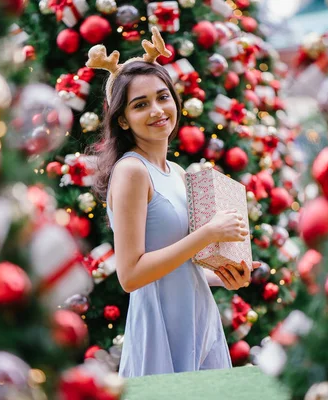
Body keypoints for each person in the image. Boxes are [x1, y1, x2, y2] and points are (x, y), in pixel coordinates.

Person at [87, 28, 258, 378]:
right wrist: (209, 233)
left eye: (162, 97)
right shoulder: (132, 172)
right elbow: (131, 275)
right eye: (140, 104)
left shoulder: (178, 172)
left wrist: (224, 275)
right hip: (159, 327)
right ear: (122, 119)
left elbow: (183, 264)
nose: (157, 110)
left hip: (197, 317)